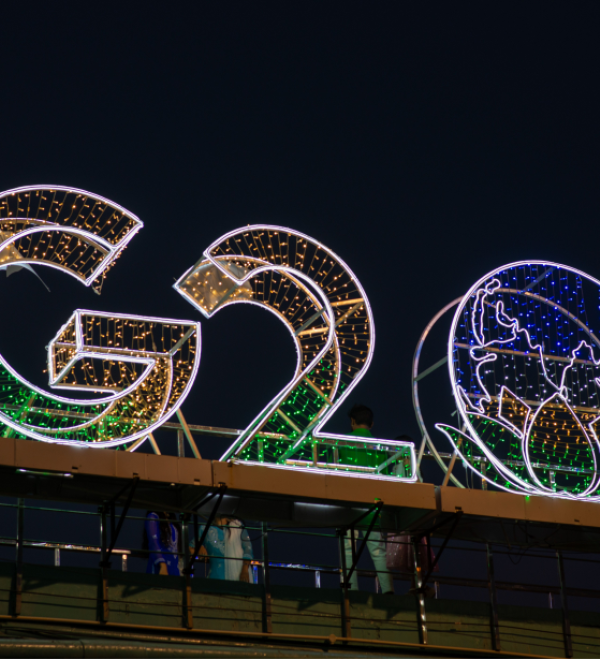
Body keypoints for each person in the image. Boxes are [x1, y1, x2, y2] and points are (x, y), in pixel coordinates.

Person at [340, 404, 394, 595]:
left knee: (347, 549)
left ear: (352, 422)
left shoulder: (341, 442)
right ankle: (388, 591)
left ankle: (351, 590)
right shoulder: (381, 445)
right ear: (371, 423)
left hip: (348, 502)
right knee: (378, 550)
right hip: (373, 503)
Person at [195, 516, 254, 582]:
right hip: (215, 578)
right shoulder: (205, 528)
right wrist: (199, 547)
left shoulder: (238, 527)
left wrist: (245, 570)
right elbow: (190, 547)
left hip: (238, 577)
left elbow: (248, 549)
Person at [143, 511, 182, 576]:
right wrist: (162, 565)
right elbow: (153, 542)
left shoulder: (171, 520)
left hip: (174, 570)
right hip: (160, 569)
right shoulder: (153, 517)